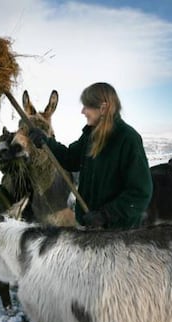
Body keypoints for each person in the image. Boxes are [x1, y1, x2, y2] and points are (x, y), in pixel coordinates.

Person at [29, 82, 153, 230]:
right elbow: (70, 159)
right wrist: (46, 142)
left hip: (118, 233)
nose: (83, 111)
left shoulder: (128, 139)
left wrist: (105, 215)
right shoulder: (91, 135)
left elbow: (141, 193)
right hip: (90, 226)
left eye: (87, 106)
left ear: (103, 108)